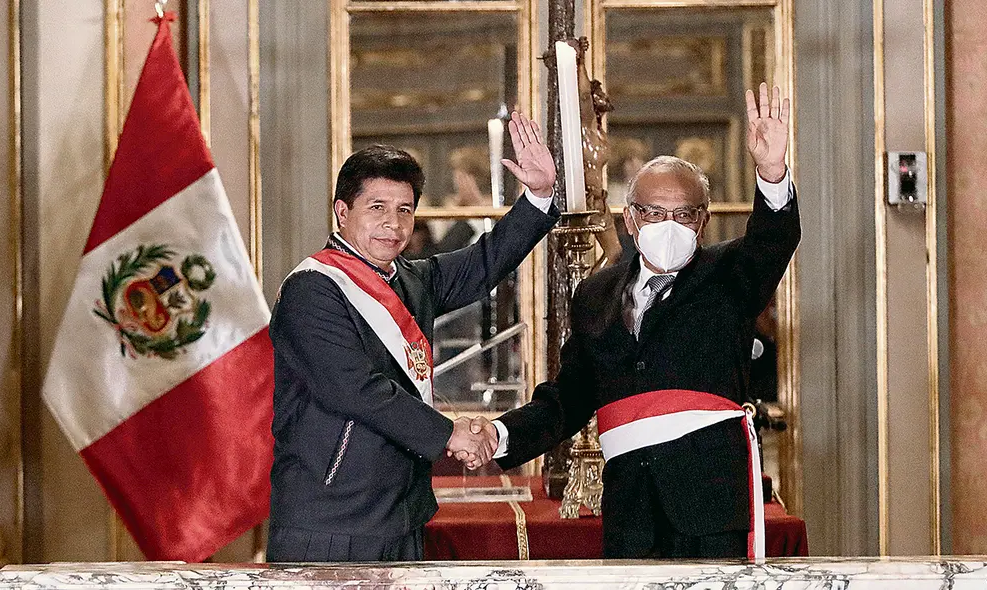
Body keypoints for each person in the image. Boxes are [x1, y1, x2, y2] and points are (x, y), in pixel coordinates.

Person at [476, 84, 801, 559]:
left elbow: (773, 239)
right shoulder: (595, 295)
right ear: (629, 219)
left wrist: (771, 173)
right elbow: (569, 398)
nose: (668, 224)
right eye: (653, 212)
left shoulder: (729, 278)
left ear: (704, 221)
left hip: (708, 513)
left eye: (684, 214)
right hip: (630, 515)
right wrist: (500, 435)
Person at [267, 112, 555, 562]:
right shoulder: (312, 288)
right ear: (342, 212)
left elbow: (484, 263)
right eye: (376, 207)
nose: (394, 223)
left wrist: (538, 196)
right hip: (331, 518)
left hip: (403, 512)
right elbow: (357, 389)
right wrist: (450, 434)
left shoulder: (411, 279)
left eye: (405, 210)